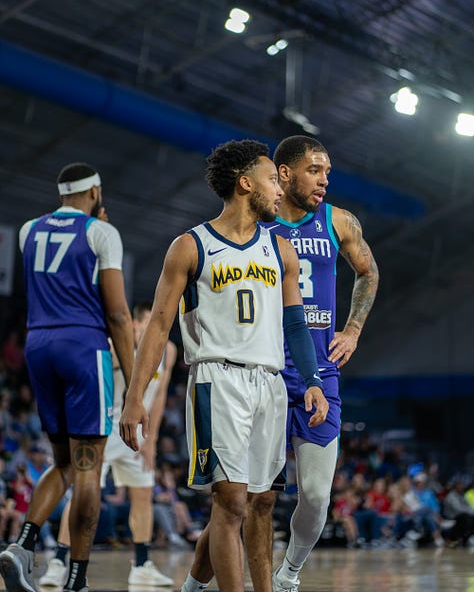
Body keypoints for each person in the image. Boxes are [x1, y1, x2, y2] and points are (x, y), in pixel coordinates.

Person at [120, 139, 329, 592]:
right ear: (245, 183)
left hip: (270, 383)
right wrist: (134, 397)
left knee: (261, 504)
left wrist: (312, 380)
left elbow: (296, 325)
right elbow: (157, 327)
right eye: (274, 179)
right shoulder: (190, 246)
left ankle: (199, 589)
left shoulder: (281, 250)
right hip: (217, 379)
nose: (280, 189)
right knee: (230, 502)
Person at [0, 163, 134, 592]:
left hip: (38, 345)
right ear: (95, 190)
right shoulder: (101, 233)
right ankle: (77, 577)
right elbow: (116, 312)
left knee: (62, 462)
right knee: (88, 468)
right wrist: (134, 384)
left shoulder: (27, 230)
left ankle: (22, 544)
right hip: (82, 347)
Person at [265, 135, 379, 591]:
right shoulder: (259, 220)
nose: (324, 180)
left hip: (320, 372)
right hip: (265, 369)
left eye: (327, 171)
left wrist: (352, 329)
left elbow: (369, 271)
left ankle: (289, 573)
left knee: (314, 494)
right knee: (251, 497)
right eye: (315, 170)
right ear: (286, 173)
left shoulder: (339, 221)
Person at [39, 302, 176, 589]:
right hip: (106, 425)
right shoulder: (116, 347)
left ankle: (141, 565)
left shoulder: (169, 351)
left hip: (137, 432)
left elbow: (160, 396)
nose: (153, 328)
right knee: (84, 495)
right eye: (147, 323)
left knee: (143, 495)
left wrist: (151, 440)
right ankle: (58, 562)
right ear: (135, 325)